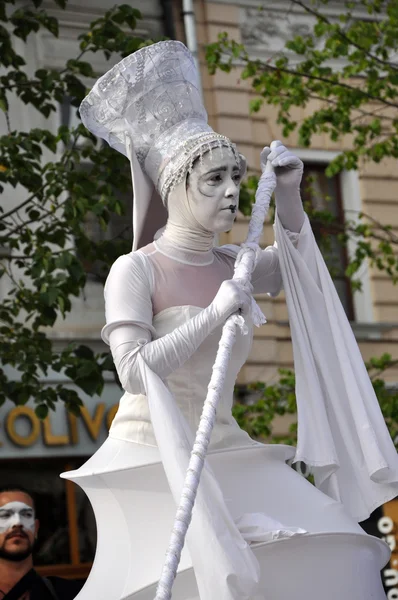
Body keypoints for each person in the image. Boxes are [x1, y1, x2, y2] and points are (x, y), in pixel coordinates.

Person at [62, 40, 398, 599]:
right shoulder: (135, 270)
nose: (231, 194)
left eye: (236, 179)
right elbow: (135, 373)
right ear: (174, 187)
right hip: (156, 450)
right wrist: (215, 313)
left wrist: (289, 193)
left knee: (331, 539)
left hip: (224, 442)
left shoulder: (234, 264)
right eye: (213, 180)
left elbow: (300, 266)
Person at [0, 487, 84, 600]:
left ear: (36, 528)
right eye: (5, 515)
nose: (18, 523)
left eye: (26, 515)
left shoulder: (71, 593)